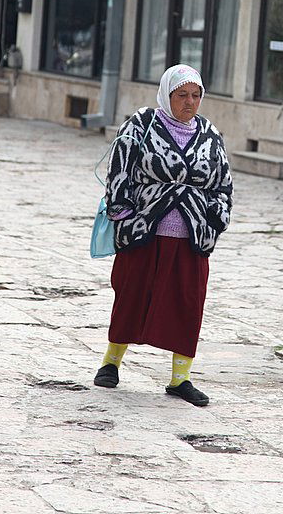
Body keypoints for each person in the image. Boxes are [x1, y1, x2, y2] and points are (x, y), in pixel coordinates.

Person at [93, 64, 233, 406]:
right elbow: (119, 172)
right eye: (181, 95)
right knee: (131, 297)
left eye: (196, 95)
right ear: (166, 95)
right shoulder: (141, 124)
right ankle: (111, 363)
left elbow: (223, 186)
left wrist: (215, 218)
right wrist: (124, 213)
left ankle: (180, 379)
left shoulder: (211, 135)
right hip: (145, 232)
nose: (189, 102)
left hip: (191, 237)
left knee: (188, 304)